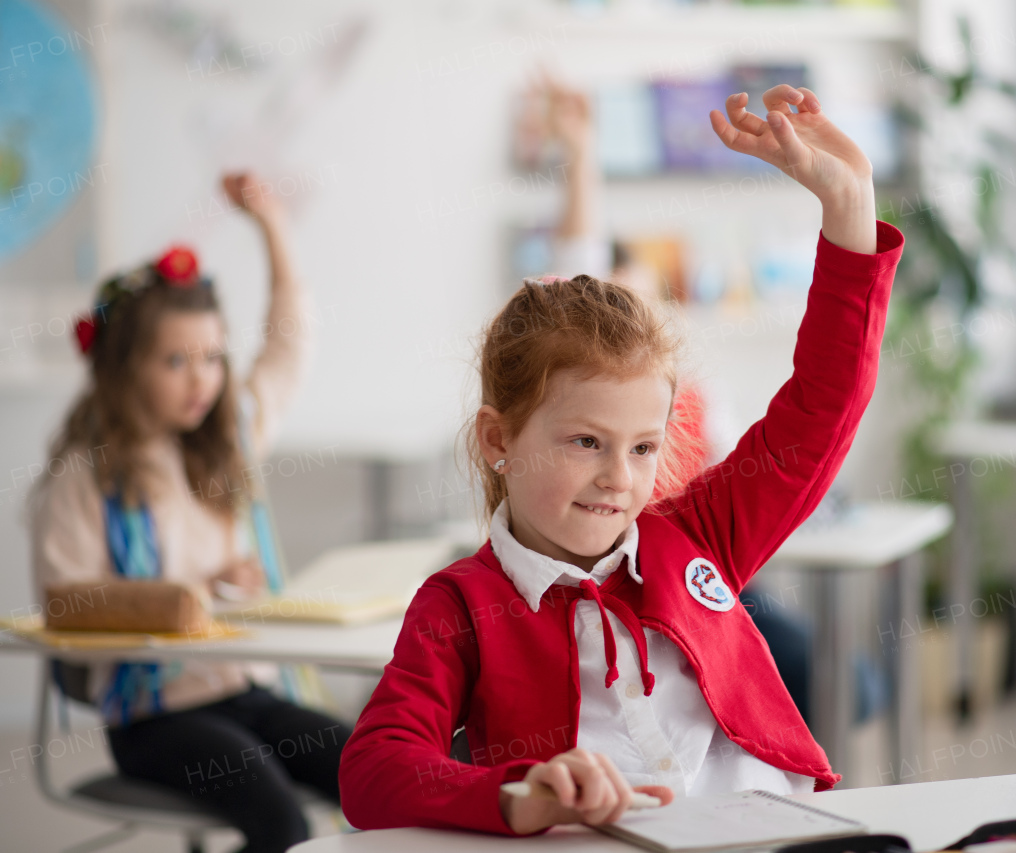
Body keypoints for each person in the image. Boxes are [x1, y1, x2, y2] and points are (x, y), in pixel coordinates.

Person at [339, 83, 903, 835]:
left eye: (643, 447)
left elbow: (823, 404)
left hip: (788, 830)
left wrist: (849, 207)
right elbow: (375, 766)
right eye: (585, 443)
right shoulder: (460, 605)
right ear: (498, 439)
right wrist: (519, 792)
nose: (619, 477)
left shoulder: (699, 533)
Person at [29, 173, 351, 853]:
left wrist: (269, 224)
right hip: (156, 715)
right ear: (123, 367)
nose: (202, 376)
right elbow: (67, 602)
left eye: (212, 356)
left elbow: (291, 345)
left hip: (247, 690)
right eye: (176, 359)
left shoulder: (227, 442)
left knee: (365, 768)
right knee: (279, 817)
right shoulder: (85, 479)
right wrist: (194, 594)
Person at [535, 72, 814, 718]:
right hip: (617, 581)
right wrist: (579, 153)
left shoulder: (696, 394)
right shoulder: (578, 381)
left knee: (791, 649)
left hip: (694, 570)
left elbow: (747, 473)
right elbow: (576, 258)